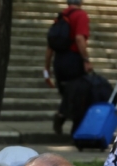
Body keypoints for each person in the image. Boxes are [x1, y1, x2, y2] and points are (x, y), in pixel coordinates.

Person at [44, 0, 92, 135]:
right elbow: (79, 38)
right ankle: (65, 119)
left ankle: (62, 116)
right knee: (79, 95)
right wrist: (86, 60)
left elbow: (50, 45)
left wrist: (46, 67)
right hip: (73, 60)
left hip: (59, 61)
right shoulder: (80, 15)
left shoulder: (61, 16)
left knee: (68, 93)